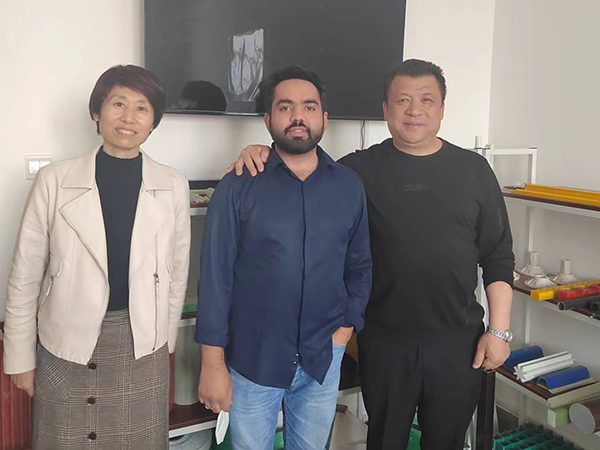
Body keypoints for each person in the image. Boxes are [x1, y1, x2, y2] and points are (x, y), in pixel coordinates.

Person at [228, 59, 515, 450]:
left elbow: (498, 256)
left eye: (426, 100)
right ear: (385, 109)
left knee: (447, 442)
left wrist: (499, 331)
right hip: (384, 342)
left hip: (458, 341)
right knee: (384, 440)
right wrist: (262, 151)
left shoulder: (474, 171)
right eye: (402, 100)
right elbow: (300, 162)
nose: (414, 110)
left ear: (442, 108)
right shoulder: (356, 171)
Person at [3, 65, 191, 449]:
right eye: (118, 103)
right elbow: (25, 275)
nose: (129, 117)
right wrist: (20, 357)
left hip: (142, 345)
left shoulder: (172, 184)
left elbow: (177, 273)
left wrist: (164, 341)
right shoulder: (55, 181)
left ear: (153, 121)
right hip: (63, 344)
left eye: (142, 108)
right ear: (97, 111)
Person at [195, 65, 372, 450]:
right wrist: (212, 363)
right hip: (253, 360)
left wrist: (344, 331)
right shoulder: (238, 185)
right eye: (285, 107)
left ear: (324, 118)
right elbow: (215, 278)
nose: (298, 116)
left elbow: (359, 267)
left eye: (309, 107)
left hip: (323, 357)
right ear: (268, 119)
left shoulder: (348, 186)